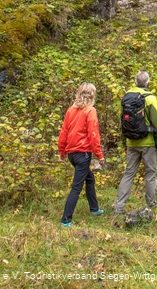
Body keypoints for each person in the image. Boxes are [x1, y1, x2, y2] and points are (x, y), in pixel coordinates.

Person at [113, 70, 157, 214]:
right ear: (148, 83)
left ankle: (119, 206)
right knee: (150, 174)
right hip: (148, 143)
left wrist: (124, 142)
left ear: (135, 82)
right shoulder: (150, 99)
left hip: (131, 142)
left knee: (129, 173)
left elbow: (123, 123)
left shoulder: (126, 97)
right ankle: (151, 205)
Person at [58, 83, 106, 226]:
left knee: (89, 178)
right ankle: (65, 220)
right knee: (76, 187)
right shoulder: (90, 111)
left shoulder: (71, 110)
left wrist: (62, 151)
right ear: (92, 95)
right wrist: (99, 155)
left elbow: (64, 132)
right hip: (83, 154)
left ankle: (94, 208)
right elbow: (93, 134)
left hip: (72, 154)